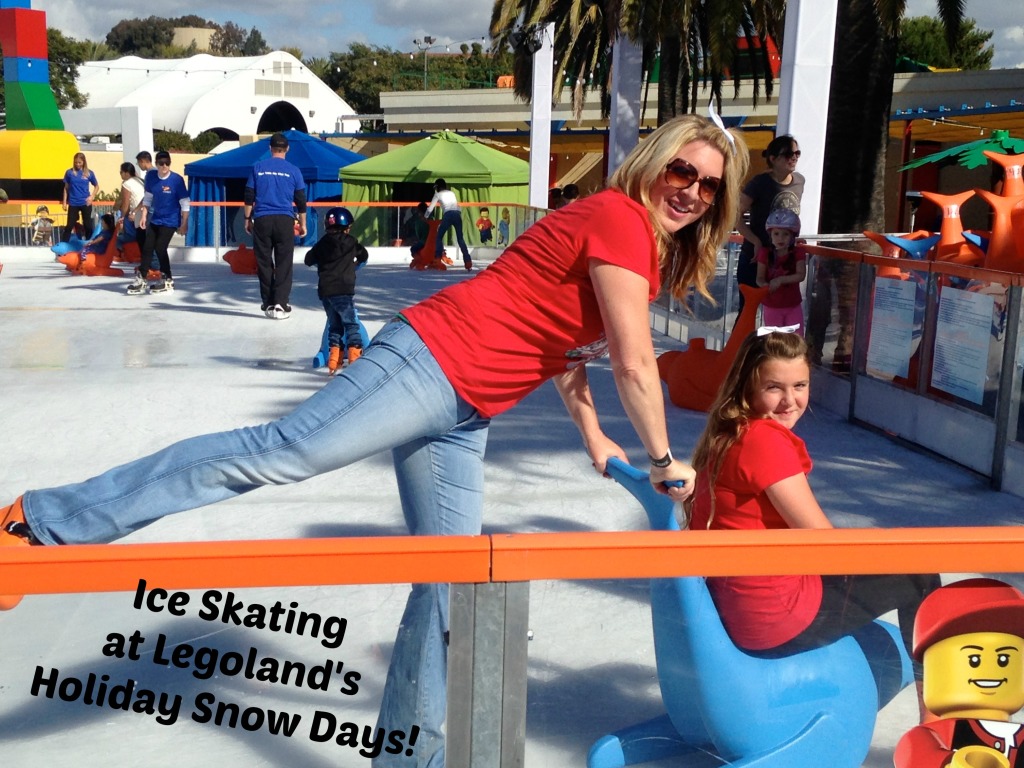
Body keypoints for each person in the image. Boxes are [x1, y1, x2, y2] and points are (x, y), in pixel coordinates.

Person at [0, 114, 747, 768]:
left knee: (448, 583)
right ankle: (39, 520)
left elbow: (564, 345)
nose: (690, 189)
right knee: (279, 451)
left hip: (464, 411)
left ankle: (408, 758)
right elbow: (633, 359)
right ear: (653, 163)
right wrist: (658, 459)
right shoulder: (620, 219)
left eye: (709, 185)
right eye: (682, 169)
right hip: (427, 364)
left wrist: (590, 433)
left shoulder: (625, 232)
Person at [685, 330, 938, 667]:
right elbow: (824, 547)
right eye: (774, 387)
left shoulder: (732, 432)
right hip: (773, 619)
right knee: (920, 575)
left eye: (800, 386)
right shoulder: (764, 442)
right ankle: (939, 712)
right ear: (747, 387)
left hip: (742, 607)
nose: (790, 401)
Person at [735, 135, 804, 316]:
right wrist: (756, 241)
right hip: (755, 259)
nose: (794, 157)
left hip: (785, 265)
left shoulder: (799, 181)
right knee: (748, 312)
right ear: (773, 159)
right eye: (788, 154)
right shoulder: (760, 183)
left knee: (783, 314)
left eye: (797, 153)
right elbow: (735, 216)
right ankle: (741, 345)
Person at [243, 132, 307, 319]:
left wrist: (247, 219)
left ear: (270, 148)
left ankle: (268, 302)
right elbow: (301, 200)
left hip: (262, 219)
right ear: (287, 148)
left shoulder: (258, 167)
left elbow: (249, 195)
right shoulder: (294, 170)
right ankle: (281, 303)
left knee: (264, 263)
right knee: (284, 262)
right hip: (284, 220)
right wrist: (302, 224)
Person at [304, 206, 368, 374]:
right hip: (343, 289)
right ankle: (355, 357)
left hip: (326, 291)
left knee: (335, 325)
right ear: (346, 227)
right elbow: (364, 256)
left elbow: (308, 259)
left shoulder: (321, 243)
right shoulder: (351, 241)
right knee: (351, 323)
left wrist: (322, 262)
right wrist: (353, 264)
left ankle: (334, 359)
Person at [127, 151, 189, 295]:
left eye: (167, 163)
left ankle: (167, 278)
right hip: (156, 218)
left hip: (171, 219)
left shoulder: (176, 180)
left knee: (160, 247)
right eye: (161, 163)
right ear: (156, 163)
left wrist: (184, 222)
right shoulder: (151, 177)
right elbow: (148, 197)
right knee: (148, 247)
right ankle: (142, 278)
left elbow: (185, 203)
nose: (164, 166)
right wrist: (143, 215)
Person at [755, 209, 807, 335]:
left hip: (793, 305)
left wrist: (780, 280)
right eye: (776, 234)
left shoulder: (797, 252)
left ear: (793, 236)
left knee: (796, 340)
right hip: (772, 306)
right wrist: (765, 286)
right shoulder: (764, 253)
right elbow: (759, 278)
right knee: (775, 341)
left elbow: (801, 275)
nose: (780, 238)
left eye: (785, 234)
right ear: (770, 235)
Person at [425, 178, 472, 271]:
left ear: (437, 187)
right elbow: (456, 205)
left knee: (439, 237)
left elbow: (430, 208)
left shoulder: (437, 194)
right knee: (460, 238)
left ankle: (438, 259)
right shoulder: (452, 193)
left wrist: (425, 217)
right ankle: (468, 262)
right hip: (457, 214)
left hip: (448, 215)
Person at [61, 152, 100, 242]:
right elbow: (66, 188)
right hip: (73, 202)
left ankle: (89, 242)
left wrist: (92, 196)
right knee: (69, 225)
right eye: (76, 162)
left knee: (88, 225)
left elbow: (96, 186)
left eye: (80, 162)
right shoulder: (69, 173)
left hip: (85, 202)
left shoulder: (89, 173)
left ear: (83, 162)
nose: (78, 164)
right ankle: (64, 244)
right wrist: (64, 202)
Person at [116, 162, 145, 255]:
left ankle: (120, 252)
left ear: (126, 173)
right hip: (145, 210)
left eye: (121, 172)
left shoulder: (127, 184)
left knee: (128, 236)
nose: (120, 174)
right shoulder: (141, 180)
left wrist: (122, 217)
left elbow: (126, 203)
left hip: (134, 213)